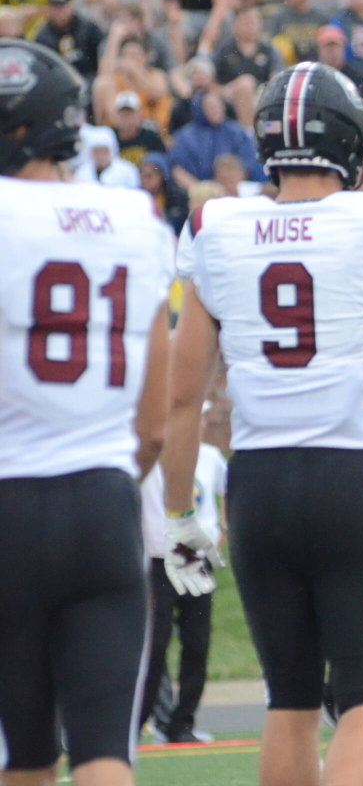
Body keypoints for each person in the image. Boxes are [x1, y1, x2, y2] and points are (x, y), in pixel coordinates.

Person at [161, 62, 363, 786]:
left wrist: (178, 512)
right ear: (350, 140)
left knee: (289, 698)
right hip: (351, 474)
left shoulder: (215, 224)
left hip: (259, 482)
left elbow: (183, 398)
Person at [0, 40, 172, 786]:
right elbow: (155, 422)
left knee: (25, 756)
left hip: (8, 499)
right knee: (104, 752)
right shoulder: (134, 217)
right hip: (105, 499)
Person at [138, 403, 226, 744]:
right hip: (157, 560)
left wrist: (222, 527)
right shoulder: (150, 451)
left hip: (193, 558)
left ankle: (182, 723)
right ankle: (138, 723)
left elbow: (224, 490)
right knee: (154, 644)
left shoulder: (209, 456)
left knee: (197, 643)